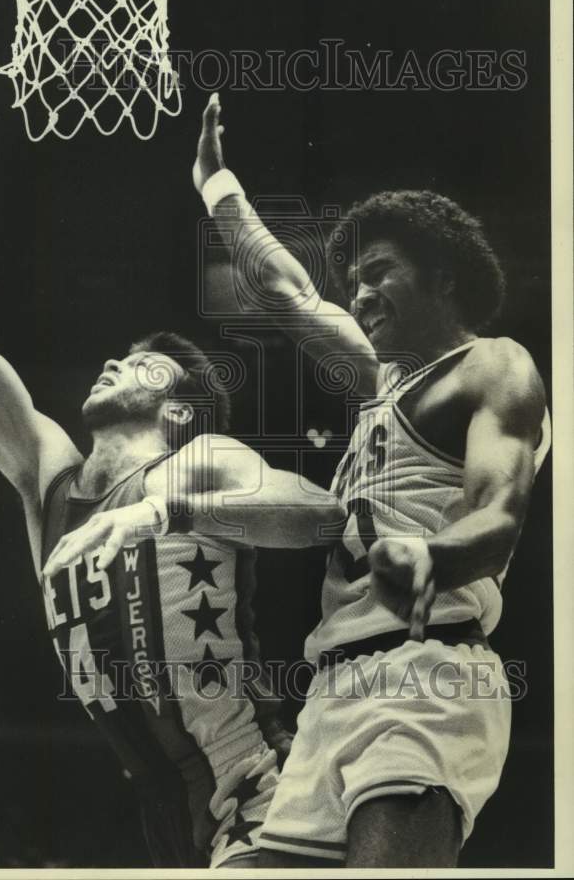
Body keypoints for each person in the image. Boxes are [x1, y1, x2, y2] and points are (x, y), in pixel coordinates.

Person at [0, 95, 344, 868]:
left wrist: (169, 509)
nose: (114, 361)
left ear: (181, 409)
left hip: (256, 781)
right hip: (163, 811)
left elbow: (320, 515)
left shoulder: (200, 458)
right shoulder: (50, 481)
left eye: (143, 363)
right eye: (117, 355)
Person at [191, 93, 551, 866]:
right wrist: (218, 187)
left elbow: (500, 513)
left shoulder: (493, 365)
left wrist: (433, 558)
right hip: (333, 687)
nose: (357, 295)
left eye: (378, 273)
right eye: (351, 281)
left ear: (443, 276)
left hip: (429, 671)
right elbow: (287, 290)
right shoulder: (377, 378)